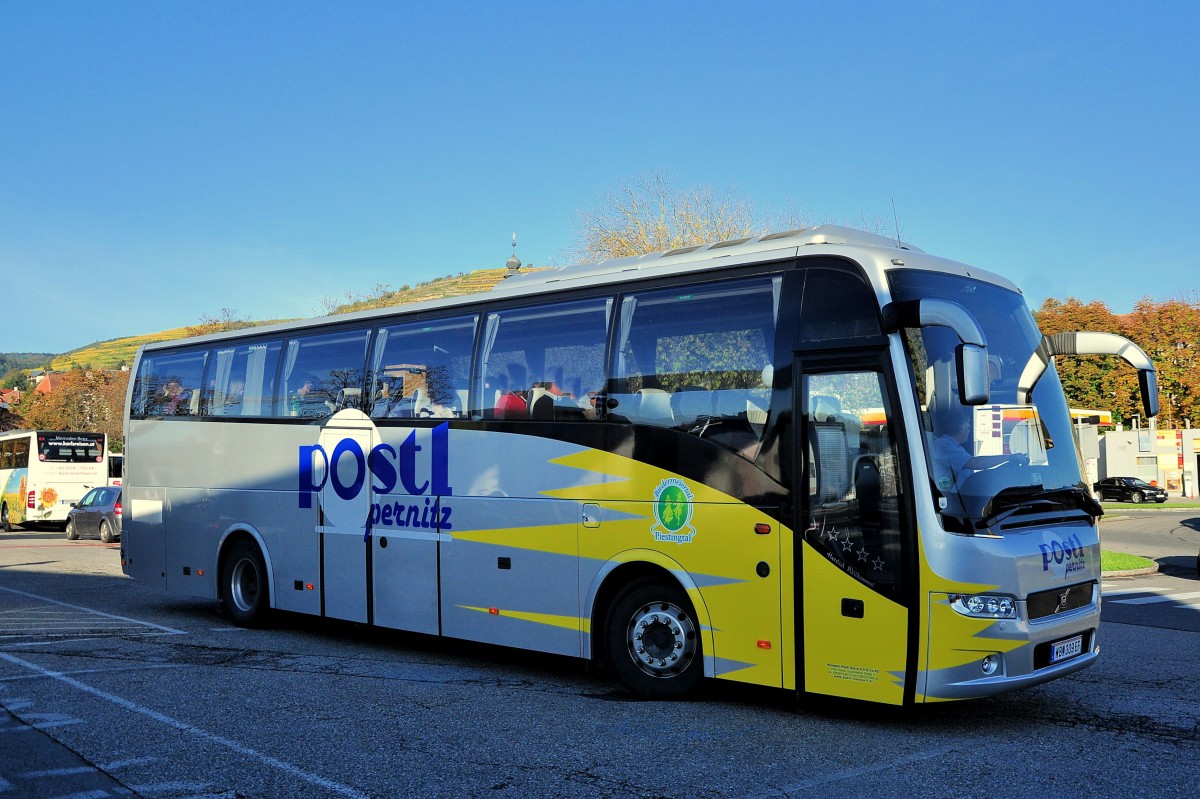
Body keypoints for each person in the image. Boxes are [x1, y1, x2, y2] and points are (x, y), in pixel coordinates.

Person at [931, 409, 975, 490]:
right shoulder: (944, 445)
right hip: (948, 498)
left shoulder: (955, 446)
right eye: (968, 426)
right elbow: (974, 463)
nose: (969, 429)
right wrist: (1004, 458)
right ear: (960, 428)